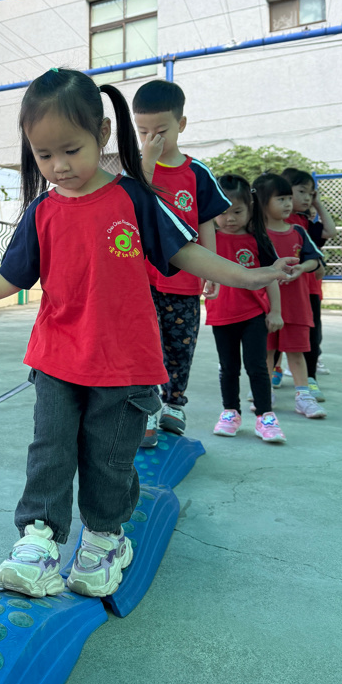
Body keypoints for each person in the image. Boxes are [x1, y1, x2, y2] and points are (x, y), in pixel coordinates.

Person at [0, 69, 301, 600]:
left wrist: (248, 276)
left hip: (123, 362)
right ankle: (38, 542)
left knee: (108, 458)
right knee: (49, 451)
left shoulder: (133, 198)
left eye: (71, 150)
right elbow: (11, 275)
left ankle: (104, 539)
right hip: (56, 356)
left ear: (102, 133)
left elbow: (184, 251)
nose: (59, 166)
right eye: (44, 155)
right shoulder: (42, 211)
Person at [132, 80, 231, 443]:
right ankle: (147, 409)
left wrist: (211, 270)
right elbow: (127, 211)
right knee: (143, 345)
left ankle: (174, 403)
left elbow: (206, 223)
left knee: (180, 345)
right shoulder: (135, 170)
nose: (151, 139)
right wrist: (145, 163)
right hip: (142, 280)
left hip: (183, 282)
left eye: (160, 131)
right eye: (143, 131)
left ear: (181, 124)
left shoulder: (197, 173)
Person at [204, 175, 286, 442]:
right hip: (220, 315)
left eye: (237, 212)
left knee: (257, 367)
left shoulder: (258, 240)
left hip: (253, 315)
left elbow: (271, 277)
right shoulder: (207, 242)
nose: (229, 218)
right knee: (228, 368)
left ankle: (265, 416)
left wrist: (275, 311)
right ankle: (230, 413)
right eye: (222, 212)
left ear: (250, 209)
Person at [253, 172, 327, 419]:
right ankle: (264, 394)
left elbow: (315, 260)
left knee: (296, 352)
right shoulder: (255, 234)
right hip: (265, 307)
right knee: (266, 353)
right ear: (262, 202)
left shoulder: (298, 231)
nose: (288, 203)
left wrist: (301, 268)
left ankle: (303, 396)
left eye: (288, 198)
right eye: (280, 199)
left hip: (297, 306)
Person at [283, 168, 337, 401]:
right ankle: (273, 371)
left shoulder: (304, 222)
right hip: (281, 288)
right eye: (302, 192)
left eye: (310, 194)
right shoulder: (274, 222)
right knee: (274, 332)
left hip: (308, 289)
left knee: (311, 335)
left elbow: (330, 231)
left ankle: (310, 378)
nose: (307, 198)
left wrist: (318, 204)